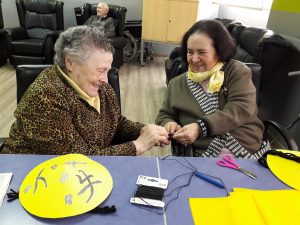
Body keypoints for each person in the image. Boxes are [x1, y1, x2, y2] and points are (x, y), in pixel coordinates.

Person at [3, 26, 169, 156]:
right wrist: (138, 145)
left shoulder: (98, 86)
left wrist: (144, 130)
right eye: (100, 70)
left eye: (107, 70)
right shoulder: (46, 96)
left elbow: (115, 122)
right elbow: (78, 160)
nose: (105, 79)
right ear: (70, 63)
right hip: (27, 178)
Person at [156, 20, 268, 159]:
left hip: (247, 150)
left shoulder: (236, 71)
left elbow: (242, 107)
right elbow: (164, 115)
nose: (194, 59)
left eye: (202, 52)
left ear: (219, 51)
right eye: (190, 52)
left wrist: (200, 127)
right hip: (203, 155)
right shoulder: (176, 84)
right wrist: (168, 123)